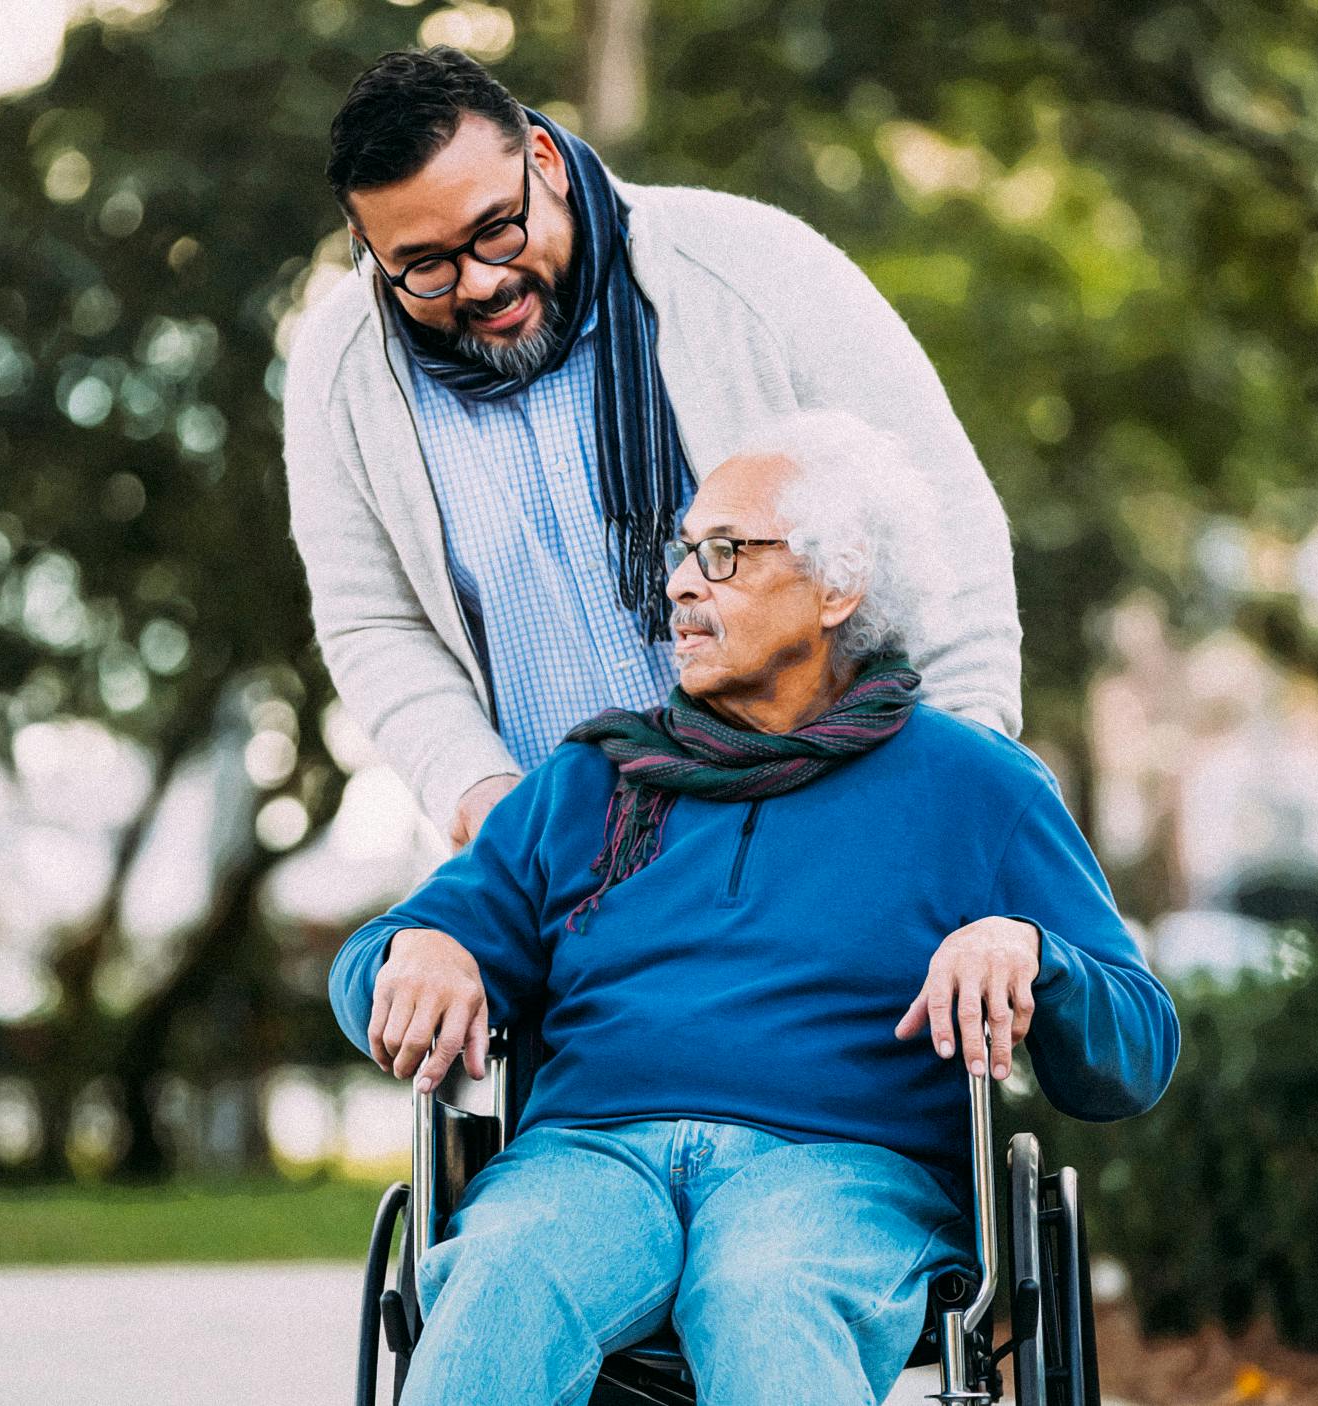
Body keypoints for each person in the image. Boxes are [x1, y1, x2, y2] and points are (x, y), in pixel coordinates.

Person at [328, 412, 1179, 1406]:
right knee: (503, 1278)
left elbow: (1136, 1046)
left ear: (838, 582)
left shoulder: (977, 787)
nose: (681, 582)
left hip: (840, 1172)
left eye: (724, 553)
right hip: (590, 1159)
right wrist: (416, 949)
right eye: (682, 553)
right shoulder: (592, 778)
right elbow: (375, 961)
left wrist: (1030, 949)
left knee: (766, 1294)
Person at [285, 47, 1022, 848]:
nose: (478, 282)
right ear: (364, 243)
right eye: (423, 265)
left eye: (497, 230)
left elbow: (942, 530)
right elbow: (374, 623)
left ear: (543, 160)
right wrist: (480, 794)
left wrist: (958, 793)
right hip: (575, 890)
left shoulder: (757, 266)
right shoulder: (341, 372)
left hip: (831, 842)